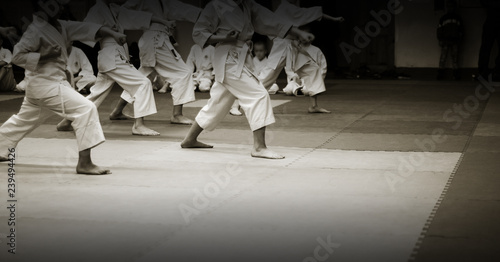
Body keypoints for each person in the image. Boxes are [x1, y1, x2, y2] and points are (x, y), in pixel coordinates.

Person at [0, 0, 126, 174]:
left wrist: (112, 32)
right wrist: (44, 55)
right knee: (86, 108)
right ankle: (85, 164)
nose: (61, 7)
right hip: (46, 84)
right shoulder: (35, 30)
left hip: (43, 85)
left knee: (25, 119)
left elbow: (88, 28)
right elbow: (17, 57)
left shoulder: (60, 26)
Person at [181, 0, 315, 159]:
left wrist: (298, 33)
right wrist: (224, 37)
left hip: (239, 56)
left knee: (219, 102)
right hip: (227, 56)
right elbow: (198, 32)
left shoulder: (247, 5)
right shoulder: (216, 5)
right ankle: (259, 147)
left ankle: (189, 139)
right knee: (258, 94)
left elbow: (271, 21)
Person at [56, 0, 169, 136]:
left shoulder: (113, 9)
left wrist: (164, 22)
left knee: (96, 94)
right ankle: (139, 125)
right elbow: (87, 30)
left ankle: (67, 121)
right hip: (111, 55)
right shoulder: (98, 8)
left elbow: (138, 17)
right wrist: (110, 33)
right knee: (143, 83)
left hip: (113, 57)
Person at [118, 0, 202, 125]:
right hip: (156, 40)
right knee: (183, 73)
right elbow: (177, 8)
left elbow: (176, 8)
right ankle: (177, 114)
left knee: (143, 76)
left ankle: (117, 110)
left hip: (151, 40)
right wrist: (206, 15)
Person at [258, 0, 343, 95]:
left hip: (294, 45)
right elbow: (311, 14)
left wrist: (333, 19)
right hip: (283, 44)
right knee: (271, 71)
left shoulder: (290, 8)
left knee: (310, 68)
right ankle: (254, 91)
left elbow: (311, 14)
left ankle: (313, 102)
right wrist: (333, 19)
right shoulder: (285, 8)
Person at [437, 0, 463, 80]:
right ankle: (441, 75)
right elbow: (439, 30)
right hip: (446, 40)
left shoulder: (457, 18)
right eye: (448, 6)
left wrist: (460, 39)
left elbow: (461, 30)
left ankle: (455, 75)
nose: (450, 8)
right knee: (443, 58)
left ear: (454, 7)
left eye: (451, 6)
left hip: (455, 40)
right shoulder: (444, 18)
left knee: (455, 58)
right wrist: (440, 39)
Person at [478, 0, 500, 80]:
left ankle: (484, 71)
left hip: (491, 18)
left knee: (486, 47)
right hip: (492, 19)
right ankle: (492, 71)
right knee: (486, 47)